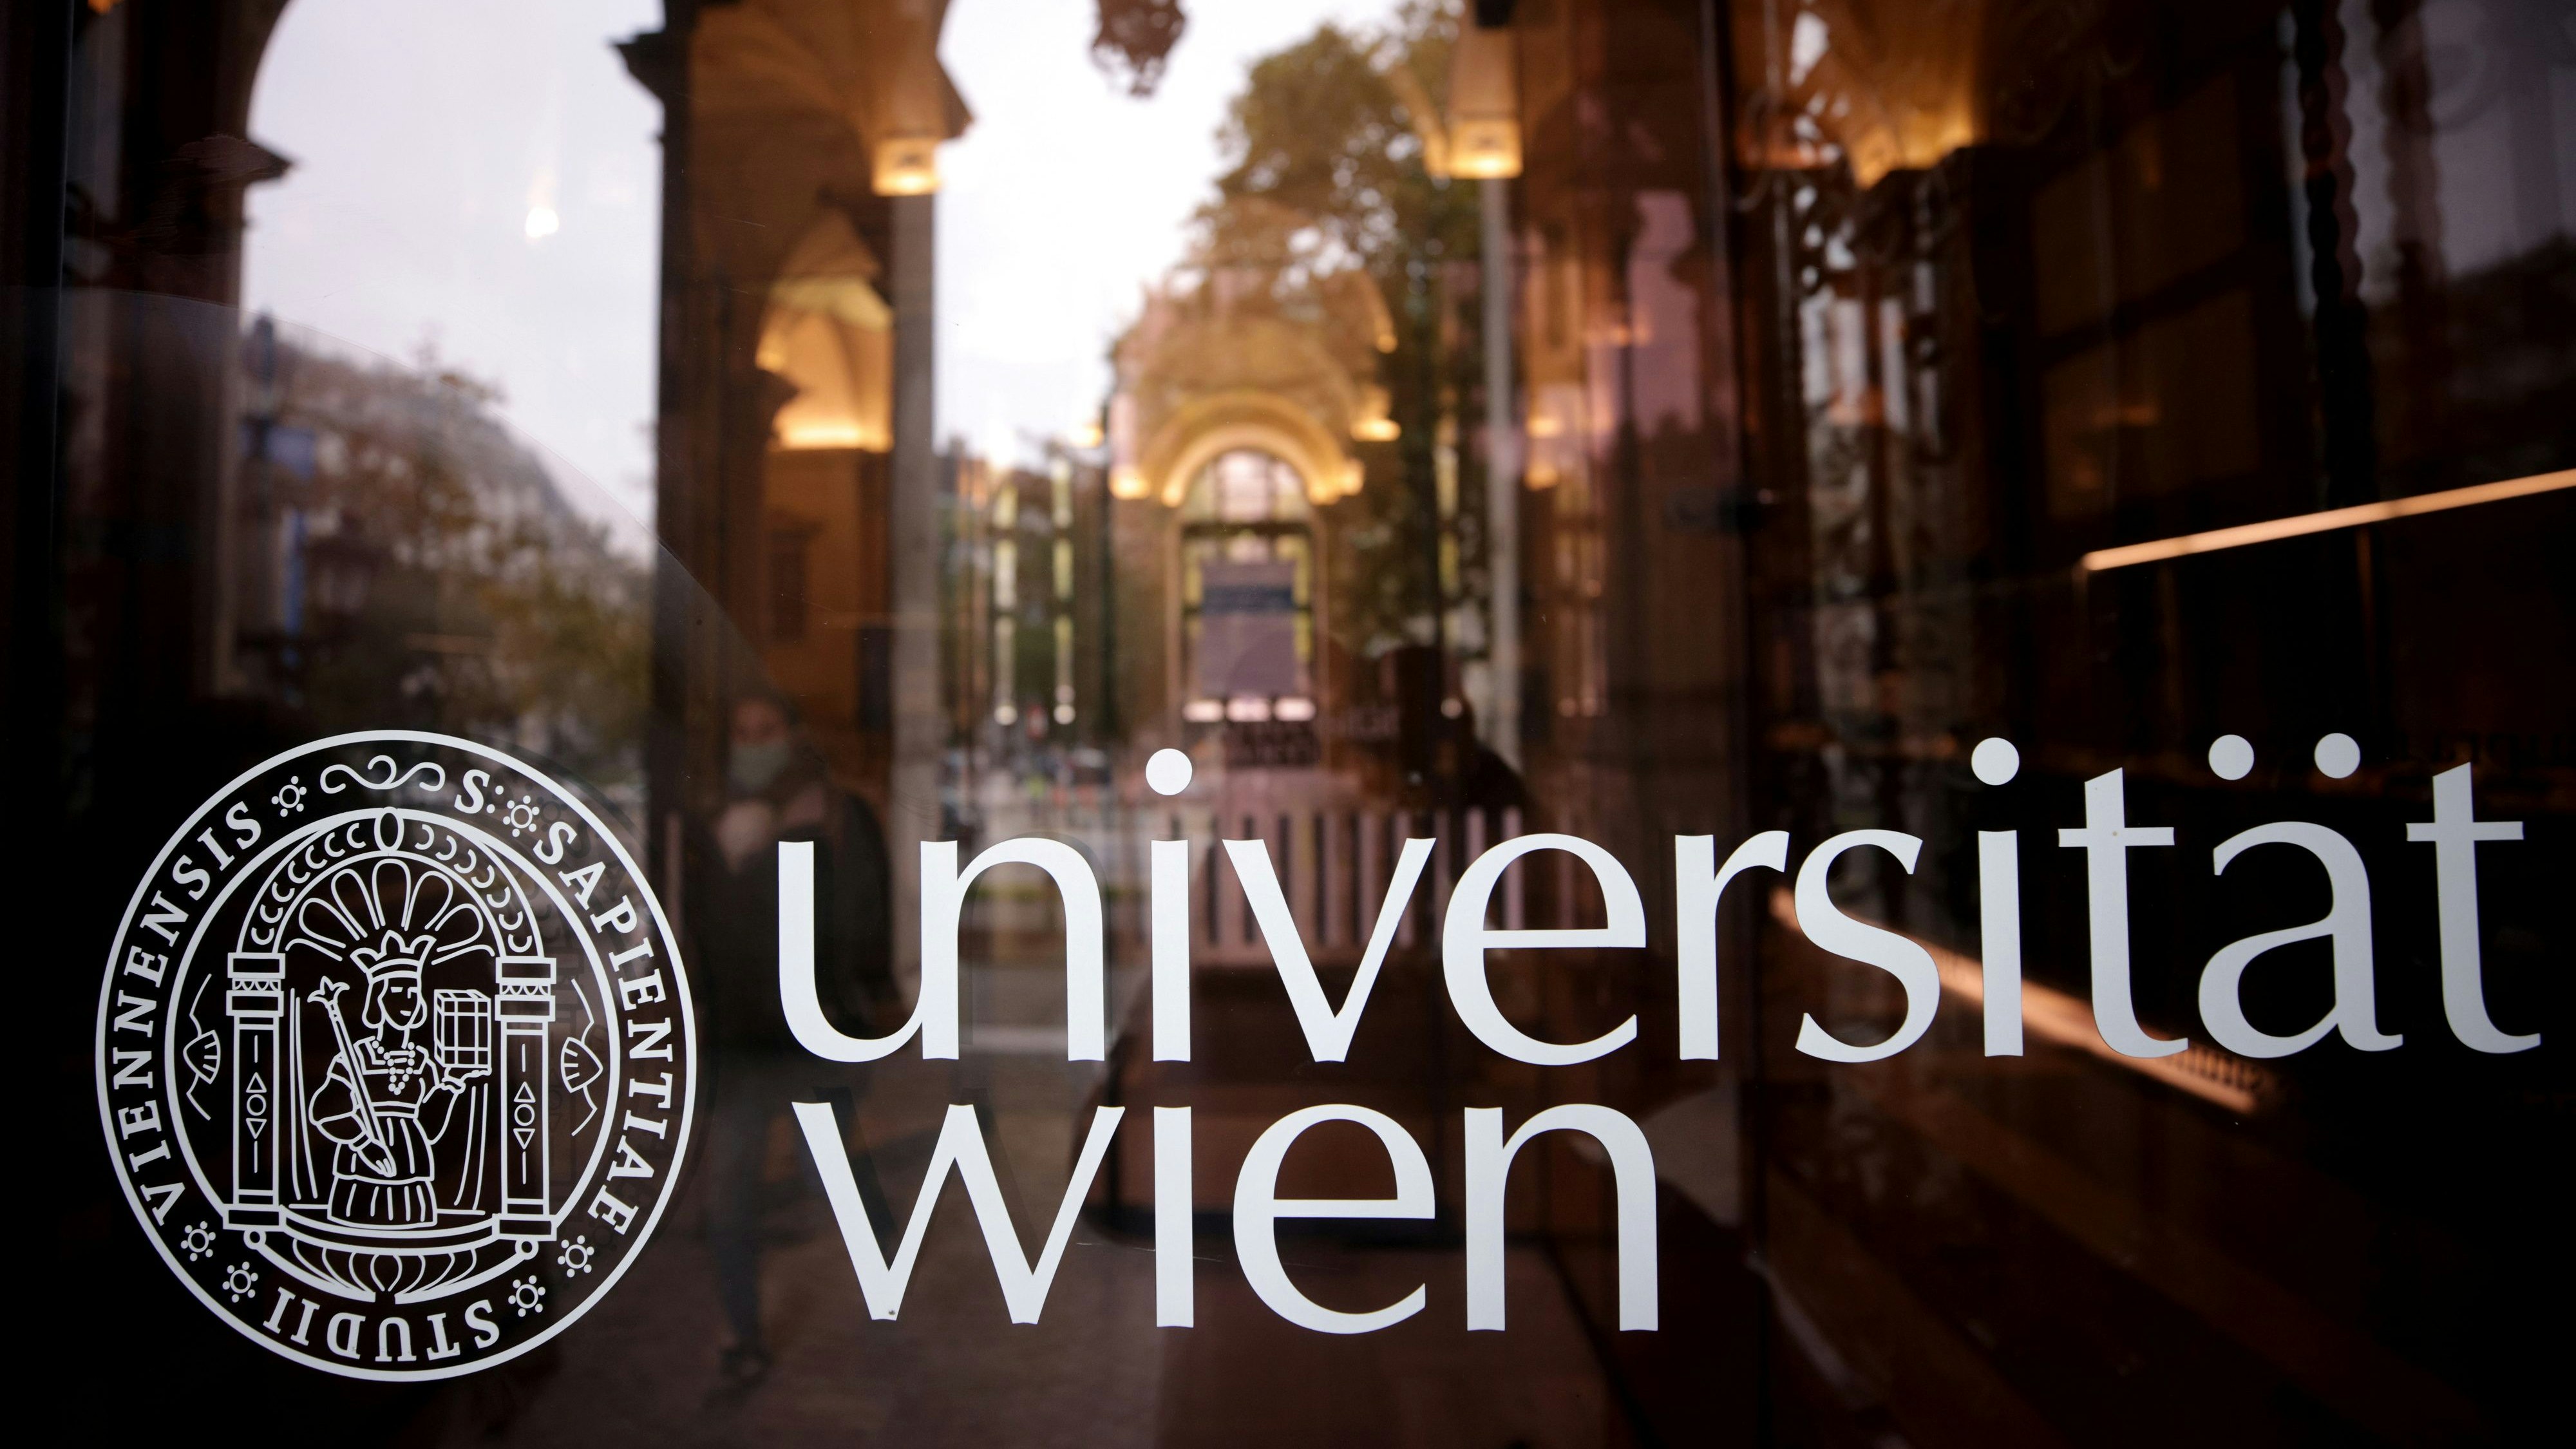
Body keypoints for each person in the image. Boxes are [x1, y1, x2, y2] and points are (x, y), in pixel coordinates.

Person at [690, 690, 893, 1390]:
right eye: (742, 732)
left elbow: (864, 924)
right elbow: (698, 925)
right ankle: (744, 1334)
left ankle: (883, 1268)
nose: (753, 743)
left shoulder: (834, 813)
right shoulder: (709, 817)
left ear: (793, 734)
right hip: (741, 1045)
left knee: (826, 1172)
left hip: (810, 1036)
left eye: (766, 730)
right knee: (729, 1195)